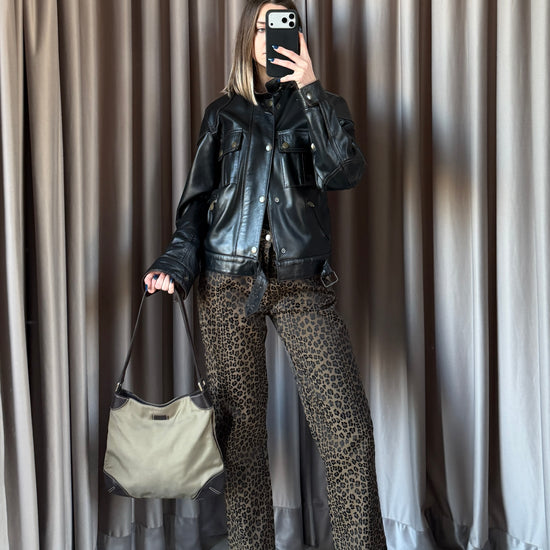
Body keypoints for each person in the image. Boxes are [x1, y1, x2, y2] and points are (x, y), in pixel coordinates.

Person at [144, 1, 386, 548]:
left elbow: (344, 172)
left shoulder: (324, 106)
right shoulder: (223, 114)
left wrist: (311, 90)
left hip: (303, 286)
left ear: (297, 36)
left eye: (281, 26)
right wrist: (174, 265)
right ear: (246, 38)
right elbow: (195, 206)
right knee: (242, 442)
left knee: (348, 433)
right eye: (260, 27)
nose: (268, 37)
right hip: (226, 285)